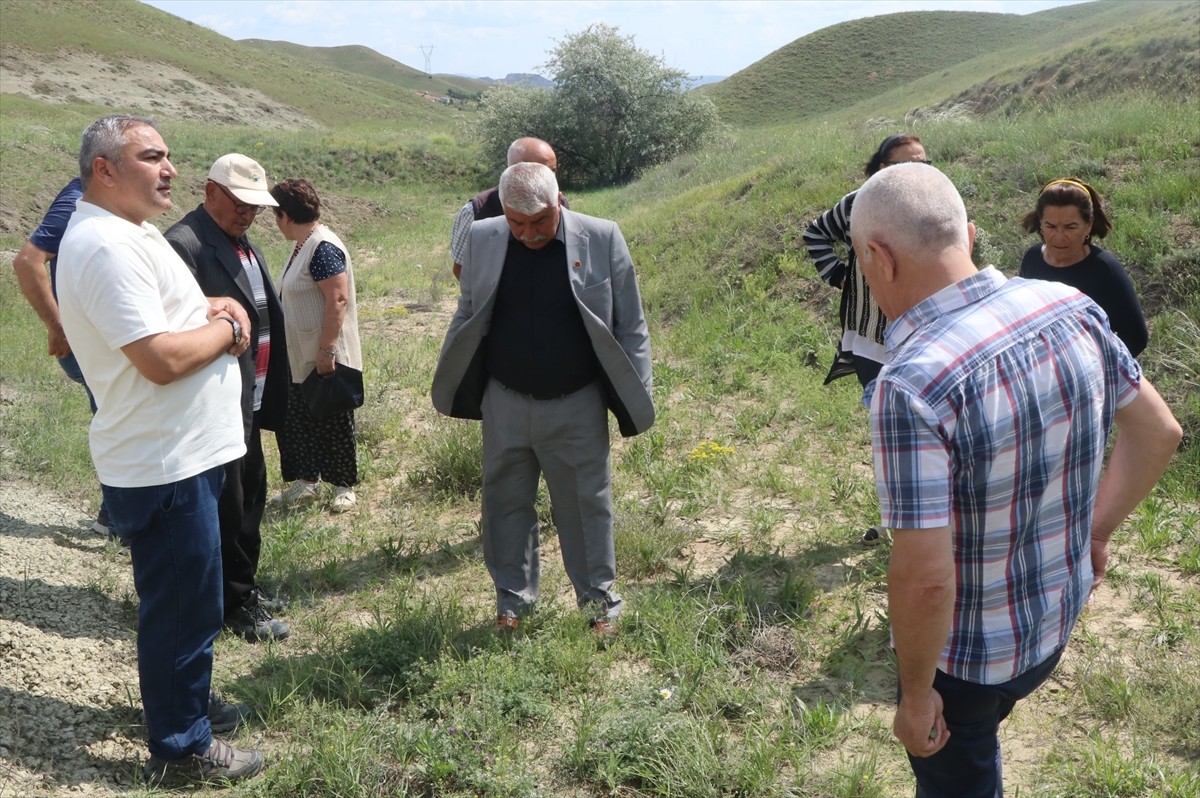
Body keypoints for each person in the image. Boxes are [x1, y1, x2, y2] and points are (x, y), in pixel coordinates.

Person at [850, 163, 1181, 798]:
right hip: (1056, 617)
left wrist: (915, 698)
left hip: (973, 664)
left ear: (878, 258)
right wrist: (1097, 532)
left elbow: (925, 579)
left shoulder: (911, 383)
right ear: (968, 236)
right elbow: (1159, 432)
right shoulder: (1069, 305)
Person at [56, 114, 267, 786]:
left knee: (192, 601)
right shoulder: (105, 247)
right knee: (181, 607)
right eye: (152, 157)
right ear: (104, 169)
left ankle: (186, 703)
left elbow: (171, 313)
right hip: (165, 463)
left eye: (168, 155)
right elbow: (160, 358)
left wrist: (211, 306)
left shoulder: (129, 232)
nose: (170, 169)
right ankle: (180, 748)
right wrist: (232, 329)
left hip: (182, 456)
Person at [431, 162, 654, 638]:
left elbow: (630, 324)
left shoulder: (602, 237)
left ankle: (599, 605)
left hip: (577, 402)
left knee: (585, 505)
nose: (528, 234)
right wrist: (453, 375)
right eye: (517, 222)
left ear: (559, 203)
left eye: (539, 222)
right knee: (504, 502)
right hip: (505, 400)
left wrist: (637, 396)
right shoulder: (483, 237)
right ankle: (512, 602)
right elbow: (468, 309)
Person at [165, 154, 291, 642]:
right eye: (239, 203)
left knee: (250, 495)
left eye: (255, 207)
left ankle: (243, 587)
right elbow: (175, 325)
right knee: (229, 505)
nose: (248, 214)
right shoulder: (185, 243)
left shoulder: (241, 242)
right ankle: (233, 604)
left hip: (247, 398)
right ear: (210, 191)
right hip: (215, 404)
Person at [802, 132, 929, 545]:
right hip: (871, 342)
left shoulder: (934, 203)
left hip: (924, 341)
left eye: (923, 164)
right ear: (880, 169)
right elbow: (815, 234)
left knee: (927, 432)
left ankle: (931, 520)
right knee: (888, 433)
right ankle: (894, 521)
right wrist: (841, 277)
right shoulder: (858, 203)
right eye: (903, 165)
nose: (915, 173)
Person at [11, 177, 115, 536]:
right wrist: (57, 326)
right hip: (88, 344)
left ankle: (114, 516)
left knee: (117, 418)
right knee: (119, 420)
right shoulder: (78, 198)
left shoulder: (102, 198)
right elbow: (27, 261)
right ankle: (119, 519)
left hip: (101, 340)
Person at [268, 178, 363, 513]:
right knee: (299, 419)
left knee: (332, 420)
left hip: (322, 354)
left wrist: (327, 350)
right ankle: (307, 481)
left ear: (285, 215)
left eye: (275, 215)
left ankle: (343, 486)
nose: (275, 223)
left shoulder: (322, 246)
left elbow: (337, 299)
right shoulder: (303, 244)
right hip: (300, 355)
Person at [1019, 177, 1148, 357]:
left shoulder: (1104, 270)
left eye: (1070, 227)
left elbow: (1136, 338)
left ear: (1088, 226)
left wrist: (1095, 365)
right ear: (1040, 223)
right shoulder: (1032, 259)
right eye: (1051, 226)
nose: (1059, 236)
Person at [449, 136, 567, 281]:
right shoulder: (477, 210)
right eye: (540, 171)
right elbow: (462, 268)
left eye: (552, 170)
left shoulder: (559, 203)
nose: (550, 178)